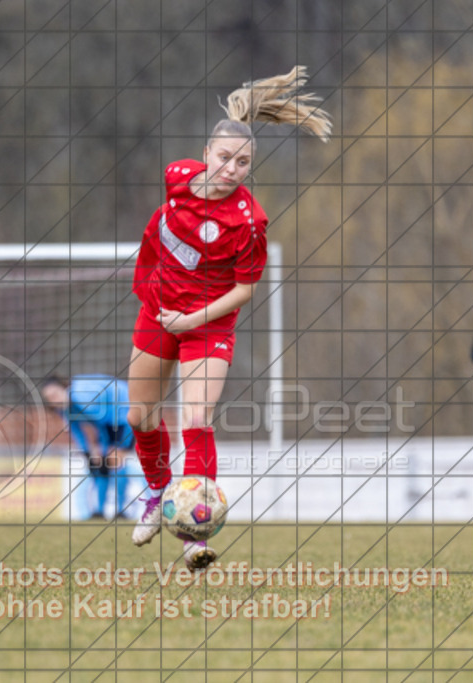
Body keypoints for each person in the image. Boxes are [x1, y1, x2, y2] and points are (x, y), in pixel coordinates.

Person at [127, 66, 331, 570]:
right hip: (157, 311)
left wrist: (193, 316)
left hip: (208, 323)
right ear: (205, 157)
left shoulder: (248, 222)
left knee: (197, 418)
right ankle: (156, 493)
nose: (232, 168)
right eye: (224, 157)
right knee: (140, 417)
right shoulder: (177, 177)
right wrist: (160, 296)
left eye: (242, 162)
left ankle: (194, 537)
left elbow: (245, 288)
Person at [42, 375, 133, 520]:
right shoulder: (64, 409)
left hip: (125, 414)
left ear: (64, 388)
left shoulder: (82, 397)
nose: (54, 400)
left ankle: (122, 510)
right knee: (99, 464)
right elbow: (77, 431)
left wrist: (102, 448)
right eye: (49, 398)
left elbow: (100, 425)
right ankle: (99, 511)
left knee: (115, 460)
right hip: (109, 421)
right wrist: (88, 452)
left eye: (55, 394)